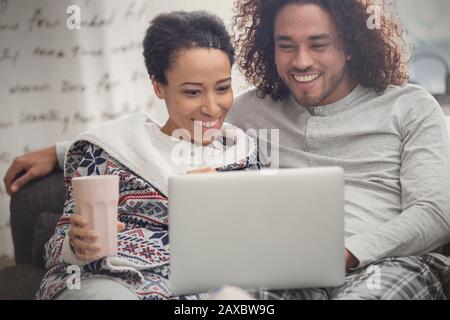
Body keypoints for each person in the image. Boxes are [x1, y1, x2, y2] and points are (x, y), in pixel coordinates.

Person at [5, 0, 450, 300]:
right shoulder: (252, 110)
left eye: (318, 44)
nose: (301, 62)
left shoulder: (408, 105)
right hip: (284, 270)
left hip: (387, 264)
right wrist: (65, 151)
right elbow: (172, 124)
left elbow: (436, 211)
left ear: (351, 45)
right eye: (286, 45)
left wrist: (350, 251)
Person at [34, 10, 258, 300]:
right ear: (158, 86)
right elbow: (55, 248)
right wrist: (77, 246)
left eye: (223, 88)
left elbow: (256, 250)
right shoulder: (110, 151)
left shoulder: (244, 156)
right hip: (113, 282)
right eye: (192, 92)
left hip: (207, 287)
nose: (212, 108)